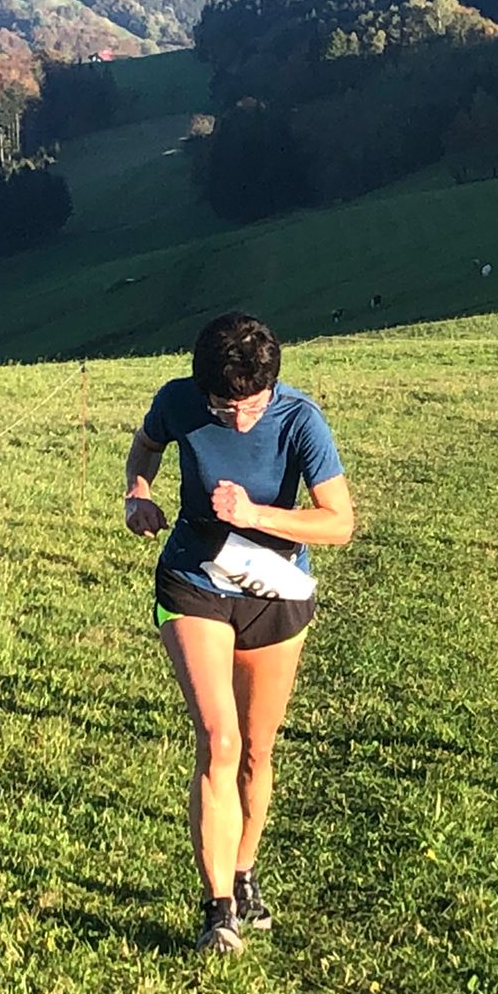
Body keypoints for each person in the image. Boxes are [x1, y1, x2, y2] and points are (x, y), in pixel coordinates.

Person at [124, 314, 355, 955]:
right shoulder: (178, 401)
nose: (242, 420)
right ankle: (218, 908)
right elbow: (145, 447)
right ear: (204, 392)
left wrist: (256, 514)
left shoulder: (300, 419)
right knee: (219, 739)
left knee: (256, 748)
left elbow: (339, 524)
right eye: (226, 409)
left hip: (274, 591)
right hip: (193, 582)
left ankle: (244, 870)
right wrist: (137, 493)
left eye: (254, 405)